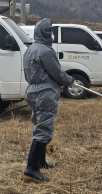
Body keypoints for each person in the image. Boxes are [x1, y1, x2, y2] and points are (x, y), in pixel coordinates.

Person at [22, 18, 75, 182]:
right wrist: (70, 81)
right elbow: (57, 73)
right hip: (44, 93)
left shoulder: (30, 49)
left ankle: (41, 162)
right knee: (43, 129)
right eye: (50, 32)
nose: (52, 35)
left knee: (40, 125)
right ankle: (31, 169)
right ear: (46, 33)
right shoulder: (46, 51)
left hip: (33, 91)